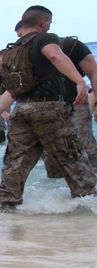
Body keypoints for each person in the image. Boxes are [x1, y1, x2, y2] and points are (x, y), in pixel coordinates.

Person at [0, 6, 96, 209]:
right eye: (49, 24)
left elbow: (12, 90)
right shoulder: (45, 38)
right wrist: (79, 81)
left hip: (22, 110)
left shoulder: (12, 51)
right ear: (43, 23)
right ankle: (87, 204)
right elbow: (54, 55)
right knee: (72, 158)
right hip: (51, 108)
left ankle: (6, 206)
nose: (49, 27)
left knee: (15, 161)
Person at [41, 36, 97, 178]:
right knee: (50, 152)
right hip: (44, 108)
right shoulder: (29, 50)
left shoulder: (72, 45)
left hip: (75, 103)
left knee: (86, 144)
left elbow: (93, 73)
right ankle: (57, 190)